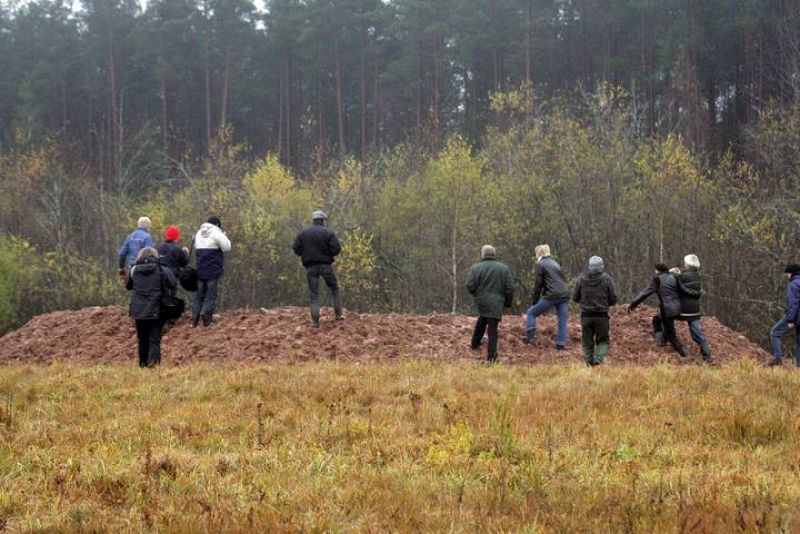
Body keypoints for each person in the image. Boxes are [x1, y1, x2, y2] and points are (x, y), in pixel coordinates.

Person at [628, 263, 700, 358]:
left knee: (672, 335)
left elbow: (646, 292)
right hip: (677, 308)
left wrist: (633, 304)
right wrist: (695, 294)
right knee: (657, 320)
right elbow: (683, 291)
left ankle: (684, 354)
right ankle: (661, 341)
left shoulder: (657, 279)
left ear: (658, 270)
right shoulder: (674, 277)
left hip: (667, 310)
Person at [125, 247, 176, 368]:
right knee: (154, 339)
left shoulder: (134, 270)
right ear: (156, 256)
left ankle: (142, 366)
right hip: (157, 309)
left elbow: (128, 286)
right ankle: (153, 365)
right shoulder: (162, 270)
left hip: (138, 310)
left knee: (142, 340)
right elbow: (172, 283)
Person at [292, 210, 343, 327]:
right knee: (335, 288)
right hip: (325, 266)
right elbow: (337, 249)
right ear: (322, 221)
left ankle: (315, 322)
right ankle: (338, 315)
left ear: (313, 220)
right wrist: (328, 254)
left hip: (310, 267)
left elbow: (295, 248)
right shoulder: (328, 232)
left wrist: (304, 254)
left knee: (313, 294)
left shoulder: (303, 233)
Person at [466, 245, 515, 363]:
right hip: (497, 302)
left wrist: (477, 295)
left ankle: (474, 343)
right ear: (494, 254)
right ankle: (492, 357)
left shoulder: (475, 268)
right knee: (492, 328)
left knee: (482, 319)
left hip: (481, 301)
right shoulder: (504, 269)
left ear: (482, 254)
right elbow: (510, 288)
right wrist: (507, 302)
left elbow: (469, 285)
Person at [571, 256, 619, 366]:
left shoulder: (581, 279)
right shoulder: (607, 279)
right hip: (602, 316)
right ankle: (598, 359)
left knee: (587, 342)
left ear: (589, 267)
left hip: (586, 316)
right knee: (603, 340)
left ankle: (588, 362)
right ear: (601, 267)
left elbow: (574, 297)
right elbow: (613, 298)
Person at [525, 244, 569, 349]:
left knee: (531, 312)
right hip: (564, 294)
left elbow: (538, 285)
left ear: (539, 254)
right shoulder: (555, 263)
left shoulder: (541, 264)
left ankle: (531, 338)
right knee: (562, 320)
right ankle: (560, 344)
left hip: (552, 295)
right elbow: (558, 281)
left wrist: (535, 302)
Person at [192, 216, 231, 327]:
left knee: (199, 296)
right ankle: (207, 321)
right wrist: (224, 236)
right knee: (211, 296)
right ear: (217, 225)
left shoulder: (198, 233)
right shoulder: (217, 233)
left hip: (200, 270)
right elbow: (227, 247)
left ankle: (194, 321)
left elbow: (195, 247)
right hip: (213, 271)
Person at [677, 254, 712, 363]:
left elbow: (677, 287)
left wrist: (674, 274)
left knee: (664, 319)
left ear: (687, 264)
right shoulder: (698, 275)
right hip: (694, 309)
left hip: (683, 308)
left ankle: (663, 341)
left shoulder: (683, 276)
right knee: (697, 333)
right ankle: (707, 355)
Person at [768, 263, 800, 367]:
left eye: (787, 274)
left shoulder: (794, 284)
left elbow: (793, 303)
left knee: (775, 332)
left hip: (796, 316)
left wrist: (791, 320)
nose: (787, 276)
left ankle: (778, 359)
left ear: (791, 273)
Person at [157, 225, 190, 294]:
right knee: (171, 298)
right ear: (176, 238)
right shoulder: (177, 249)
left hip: (159, 276)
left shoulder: (159, 247)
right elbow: (184, 263)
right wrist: (186, 253)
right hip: (172, 277)